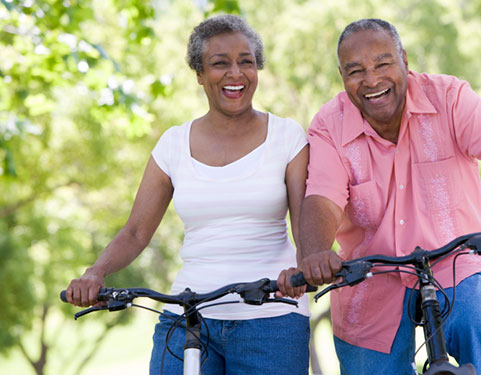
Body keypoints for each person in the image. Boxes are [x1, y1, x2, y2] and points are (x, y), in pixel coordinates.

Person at [278, 18, 481, 375]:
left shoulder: (449, 98)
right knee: (366, 366)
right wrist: (314, 253)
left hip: (458, 262)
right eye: (355, 71)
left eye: (383, 64)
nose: (372, 80)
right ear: (342, 76)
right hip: (370, 275)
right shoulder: (330, 124)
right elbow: (322, 200)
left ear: (404, 60)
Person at [65, 14, 310, 375]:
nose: (235, 73)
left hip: (273, 316)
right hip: (188, 314)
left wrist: (303, 270)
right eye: (219, 63)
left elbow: (306, 225)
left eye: (246, 62)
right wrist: (95, 272)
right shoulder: (173, 144)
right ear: (199, 74)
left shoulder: (288, 137)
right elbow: (135, 232)